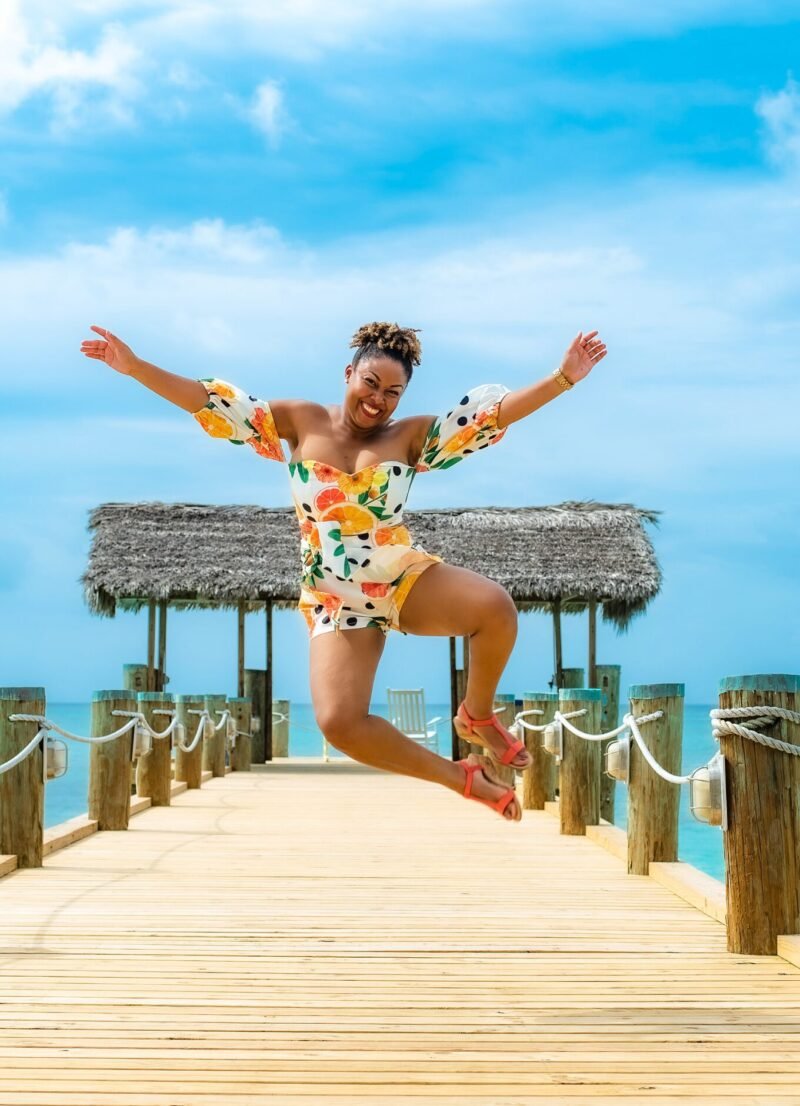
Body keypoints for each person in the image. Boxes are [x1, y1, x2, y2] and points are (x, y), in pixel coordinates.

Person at [80, 321, 606, 822]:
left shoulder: (411, 435)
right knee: (339, 724)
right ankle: (461, 777)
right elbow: (211, 403)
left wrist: (562, 379)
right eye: (371, 383)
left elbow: (492, 417)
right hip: (335, 596)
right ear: (348, 375)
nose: (378, 400)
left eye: (393, 392)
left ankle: (477, 715)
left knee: (495, 609)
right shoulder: (299, 421)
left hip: (397, 577)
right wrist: (134, 367)